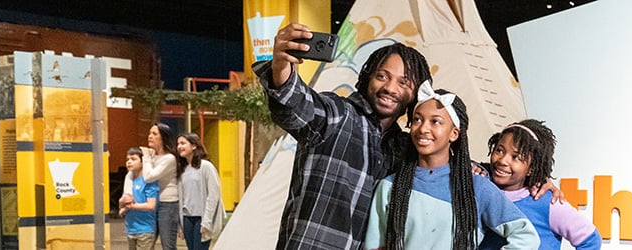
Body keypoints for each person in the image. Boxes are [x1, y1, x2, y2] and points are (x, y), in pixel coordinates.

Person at [253, 22, 427, 249]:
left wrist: (475, 169)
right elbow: (296, 104)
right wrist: (281, 66)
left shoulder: (404, 148)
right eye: (382, 76)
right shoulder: (337, 115)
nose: (390, 88)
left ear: (415, 94)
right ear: (367, 78)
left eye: (404, 82)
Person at [364, 86, 540, 249]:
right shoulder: (389, 186)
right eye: (417, 119)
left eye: (435, 122)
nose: (423, 128)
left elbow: (526, 236)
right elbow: (374, 246)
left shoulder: (476, 187)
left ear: (454, 133)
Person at [479, 119, 601, 250]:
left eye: (516, 158)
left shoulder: (547, 203)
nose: (503, 160)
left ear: (532, 168)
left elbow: (591, 240)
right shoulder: (482, 187)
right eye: (499, 150)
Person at [122, 123, 181, 250]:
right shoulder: (151, 155)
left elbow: (149, 177)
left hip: (167, 203)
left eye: (154, 134)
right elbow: (131, 173)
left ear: (163, 138)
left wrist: (147, 157)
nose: (150, 136)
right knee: (147, 242)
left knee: (168, 244)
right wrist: (127, 195)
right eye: (149, 133)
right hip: (151, 201)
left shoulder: (169, 158)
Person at [175, 133, 224, 250]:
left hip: (201, 218)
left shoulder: (206, 167)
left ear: (193, 146)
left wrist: (207, 221)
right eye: (178, 144)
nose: (179, 147)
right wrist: (180, 225)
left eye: (183, 143)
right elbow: (181, 198)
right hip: (187, 218)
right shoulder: (182, 169)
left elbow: (213, 195)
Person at [122, 147, 160, 250]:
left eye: (133, 159)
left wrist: (132, 206)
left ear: (143, 162)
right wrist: (123, 205)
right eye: (127, 159)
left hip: (145, 229)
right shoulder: (129, 181)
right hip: (130, 228)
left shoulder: (149, 181)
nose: (129, 162)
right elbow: (123, 201)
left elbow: (151, 205)